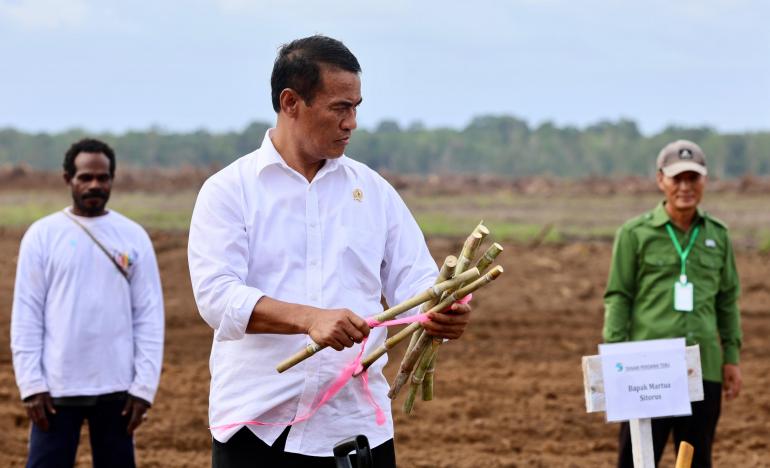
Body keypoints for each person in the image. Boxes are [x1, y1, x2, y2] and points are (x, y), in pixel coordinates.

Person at [188, 35, 471, 467]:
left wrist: (444, 304)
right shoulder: (229, 191)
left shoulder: (373, 191)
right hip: (257, 430)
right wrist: (310, 319)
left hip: (355, 428)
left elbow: (414, 279)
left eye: (356, 107)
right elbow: (216, 297)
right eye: (340, 107)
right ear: (290, 102)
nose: (352, 122)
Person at [11, 138, 165, 468]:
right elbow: (26, 314)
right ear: (68, 179)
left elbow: (149, 316)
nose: (95, 184)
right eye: (85, 177)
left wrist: (143, 388)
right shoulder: (42, 235)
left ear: (112, 178)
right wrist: (31, 385)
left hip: (118, 390)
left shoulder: (133, 236)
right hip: (55, 390)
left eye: (102, 177)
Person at [603, 140, 742, 468]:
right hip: (647, 370)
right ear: (660, 179)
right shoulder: (634, 234)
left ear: (704, 181)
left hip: (703, 367)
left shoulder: (718, 236)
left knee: (696, 460)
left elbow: (727, 301)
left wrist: (732, 357)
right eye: (677, 178)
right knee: (637, 461)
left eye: (693, 179)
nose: (685, 187)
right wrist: (613, 357)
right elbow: (619, 297)